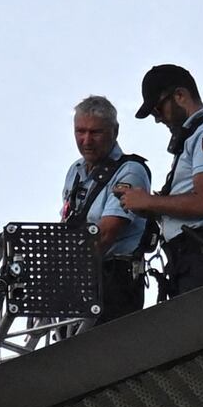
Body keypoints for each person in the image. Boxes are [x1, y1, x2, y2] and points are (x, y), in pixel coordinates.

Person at [126, 65, 203, 294]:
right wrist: (156, 207)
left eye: (158, 109)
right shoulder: (194, 136)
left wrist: (148, 202)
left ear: (180, 95)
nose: (157, 119)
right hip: (192, 260)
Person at [60, 96, 151, 324]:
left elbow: (106, 234)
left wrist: (57, 273)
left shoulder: (130, 170)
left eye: (95, 132)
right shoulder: (76, 171)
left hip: (115, 281)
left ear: (115, 131)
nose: (86, 140)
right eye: (80, 131)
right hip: (81, 279)